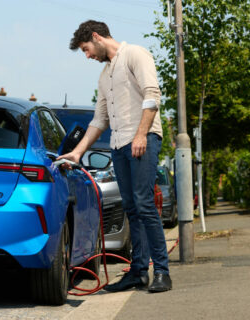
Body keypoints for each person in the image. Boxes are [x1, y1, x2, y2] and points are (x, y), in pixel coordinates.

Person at [58, 20, 172, 293]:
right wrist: (77, 152)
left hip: (142, 140)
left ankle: (163, 273)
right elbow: (100, 119)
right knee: (131, 208)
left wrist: (142, 134)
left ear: (97, 37)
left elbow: (152, 94)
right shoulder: (105, 75)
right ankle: (138, 272)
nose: (87, 56)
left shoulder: (135, 54)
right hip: (119, 146)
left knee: (144, 204)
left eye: (86, 49)